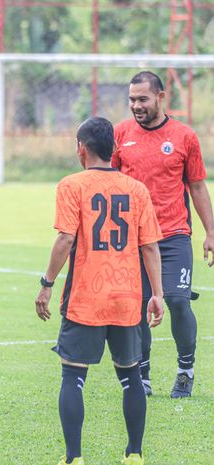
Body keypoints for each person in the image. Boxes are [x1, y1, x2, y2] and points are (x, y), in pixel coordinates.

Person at [35, 117, 164, 465]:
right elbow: (150, 247)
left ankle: (74, 457)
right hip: (127, 298)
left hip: (85, 298)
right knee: (131, 375)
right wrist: (157, 294)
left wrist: (46, 284)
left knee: (73, 376)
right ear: (115, 149)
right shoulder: (137, 189)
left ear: (81, 147)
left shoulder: (72, 185)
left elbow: (65, 238)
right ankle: (134, 454)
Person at [112, 70, 214, 398]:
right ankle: (142, 375)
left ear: (160, 97)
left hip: (173, 235)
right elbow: (107, 181)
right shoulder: (120, 134)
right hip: (133, 239)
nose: (136, 106)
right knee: (139, 305)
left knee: (177, 301)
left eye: (142, 99)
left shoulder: (184, 136)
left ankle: (186, 370)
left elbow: (197, 187)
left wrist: (211, 231)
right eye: (131, 100)